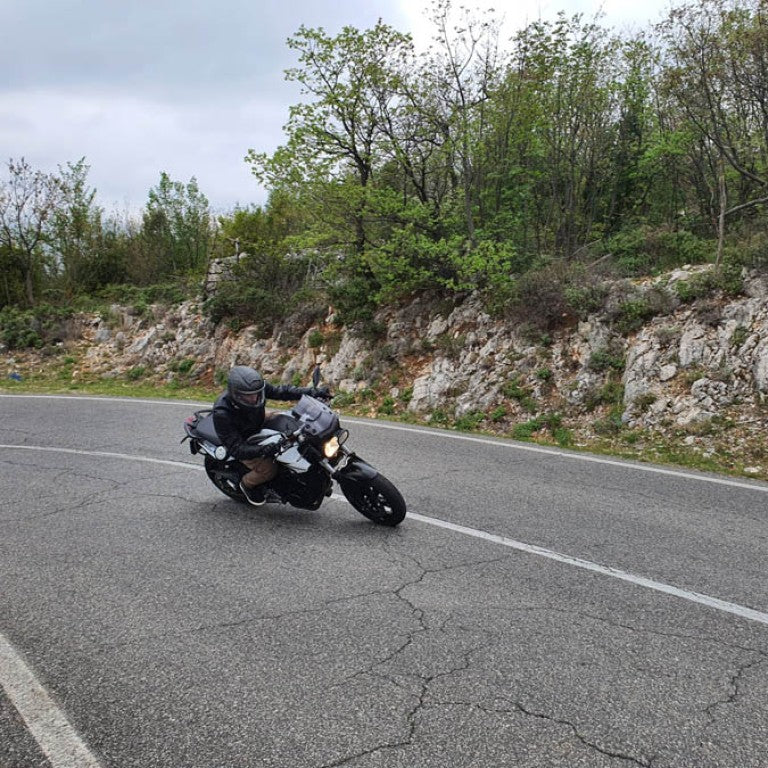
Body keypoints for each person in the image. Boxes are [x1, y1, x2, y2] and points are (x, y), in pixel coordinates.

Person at [213, 365, 330, 506]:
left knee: (295, 423)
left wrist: (311, 392)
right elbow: (236, 448)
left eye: (256, 394)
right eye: (248, 396)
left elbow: (282, 391)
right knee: (269, 469)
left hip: (259, 420)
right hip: (244, 438)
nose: (254, 398)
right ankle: (246, 485)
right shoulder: (222, 413)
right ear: (236, 394)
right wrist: (262, 450)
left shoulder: (255, 389)